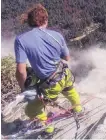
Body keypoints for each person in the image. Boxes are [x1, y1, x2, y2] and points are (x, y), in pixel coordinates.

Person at [14, 4, 82, 132]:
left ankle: (48, 130)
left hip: (49, 84)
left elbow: (20, 70)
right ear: (46, 20)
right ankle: (78, 109)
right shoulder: (57, 35)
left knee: (32, 109)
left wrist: (24, 89)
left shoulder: (21, 40)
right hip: (64, 74)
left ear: (29, 22)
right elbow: (66, 58)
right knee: (69, 89)